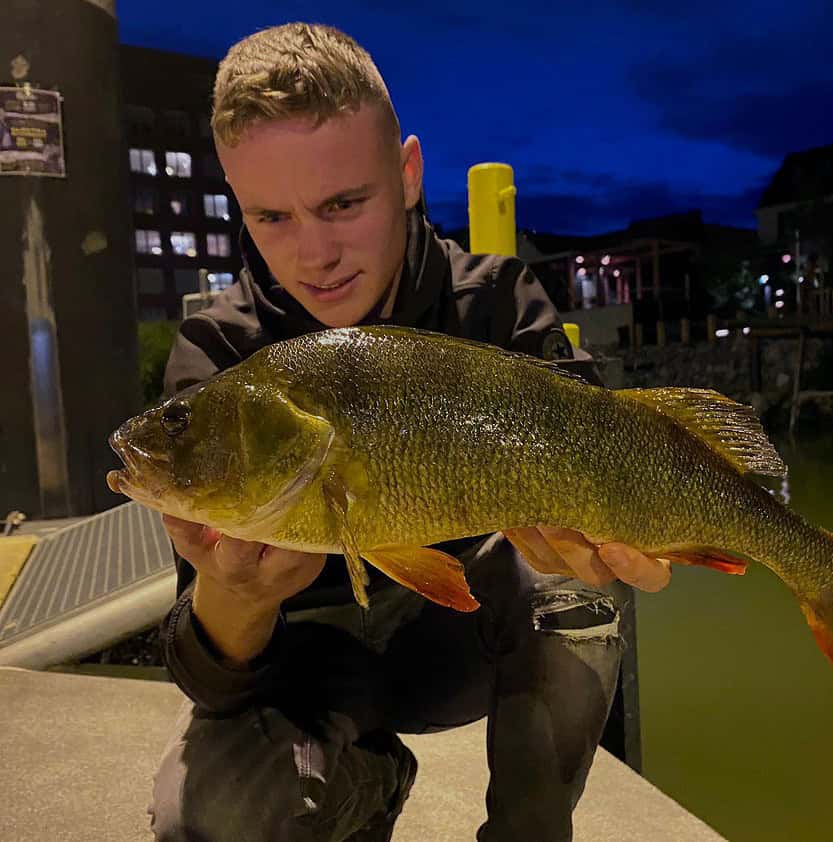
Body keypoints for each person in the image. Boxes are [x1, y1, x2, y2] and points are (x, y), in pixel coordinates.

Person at [149, 22, 671, 842]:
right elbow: (215, 687)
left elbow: (603, 458)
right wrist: (236, 592)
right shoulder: (217, 362)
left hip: (462, 641)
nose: (314, 252)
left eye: (343, 204)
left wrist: (609, 537)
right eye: (271, 217)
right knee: (203, 816)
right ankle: (365, 782)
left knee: (572, 583)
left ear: (408, 173)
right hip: (310, 673)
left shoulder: (496, 303)